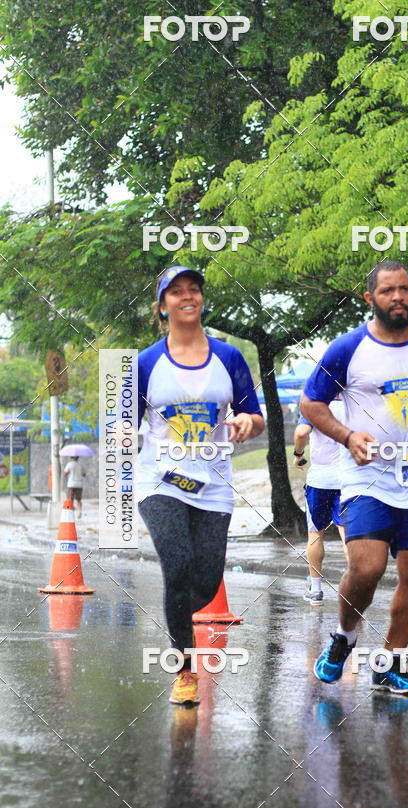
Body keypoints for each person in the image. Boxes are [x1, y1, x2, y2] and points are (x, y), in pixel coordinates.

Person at [300, 261, 408, 695]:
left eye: (405, 289)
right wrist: (347, 436)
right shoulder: (349, 347)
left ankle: (389, 662)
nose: (398, 297)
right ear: (370, 298)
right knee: (367, 567)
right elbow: (311, 404)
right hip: (367, 477)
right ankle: (344, 637)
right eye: (388, 290)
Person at [136, 265, 264, 706]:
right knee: (177, 563)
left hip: (213, 485)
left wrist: (247, 422)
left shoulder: (229, 358)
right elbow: (121, 419)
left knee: (205, 583)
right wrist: (120, 432)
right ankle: (185, 667)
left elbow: (255, 415)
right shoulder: (146, 362)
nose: (187, 296)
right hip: (160, 480)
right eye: (176, 292)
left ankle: (175, 609)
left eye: (194, 289)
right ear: (162, 306)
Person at [293, 397, 348, 605]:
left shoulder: (314, 403)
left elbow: (301, 433)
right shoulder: (355, 403)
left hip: (320, 481)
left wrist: (298, 453)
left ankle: (315, 590)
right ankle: (355, 593)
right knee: (348, 536)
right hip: (348, 480)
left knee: (315, 533)